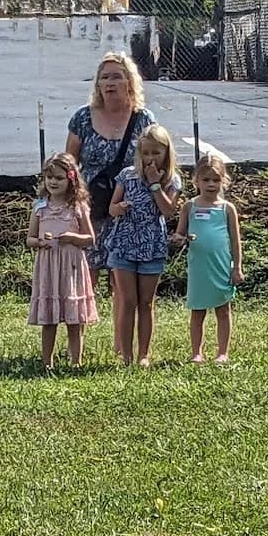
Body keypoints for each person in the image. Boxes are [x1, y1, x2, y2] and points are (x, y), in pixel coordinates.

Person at [65, 51, 156, 353]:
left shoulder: (143, 119)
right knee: (84, 278)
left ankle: (121, 346)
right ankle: (76, 346)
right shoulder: (82, 118)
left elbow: (154, 159)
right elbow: (69, 165)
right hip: (91, 210)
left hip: (129, 215)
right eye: (104, 77)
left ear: (130, 81)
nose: (109, 83)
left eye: (116, 76)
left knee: (122, 283)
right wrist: (68, 204)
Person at [106, 124, 181, 367]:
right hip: (124, 243)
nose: (150, 158)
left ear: (166, 153)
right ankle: (126, 355)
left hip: (152, 244)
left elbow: (168, 211)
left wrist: (155, 184)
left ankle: (144, 354)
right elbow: (111, 207)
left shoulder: (172, 180)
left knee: (146, 302)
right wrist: (119, 208)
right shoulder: (127, 175)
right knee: (128, 300)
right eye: (145, 152)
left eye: (156, 153)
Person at [27, 153, 99, 370]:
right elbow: (30, 238)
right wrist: (40, 242)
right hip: (49, 266)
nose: (53, 182)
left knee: (74, 318)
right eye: (49, 177)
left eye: (59, 178)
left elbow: (90, 238)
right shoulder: (40, 207)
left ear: (70, 179)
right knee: (49, 318)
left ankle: (76, 361)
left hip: (71, 266)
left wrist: (73, 238)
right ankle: (46, 362)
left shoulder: (77, 207)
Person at [171, 153, 244, 364]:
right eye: (206, 179)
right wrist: (179, 239)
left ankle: (222, 352)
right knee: (198, 310)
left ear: (223, 181)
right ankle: (197, 352)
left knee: (223, 309)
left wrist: (237, 267)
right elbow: (180, 234)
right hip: (199, 267)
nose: (211, 184)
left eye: (216, 179)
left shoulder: (227, 208)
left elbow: (235, 240)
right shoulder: (190, 206)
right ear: (196, 181)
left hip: (221, 265)